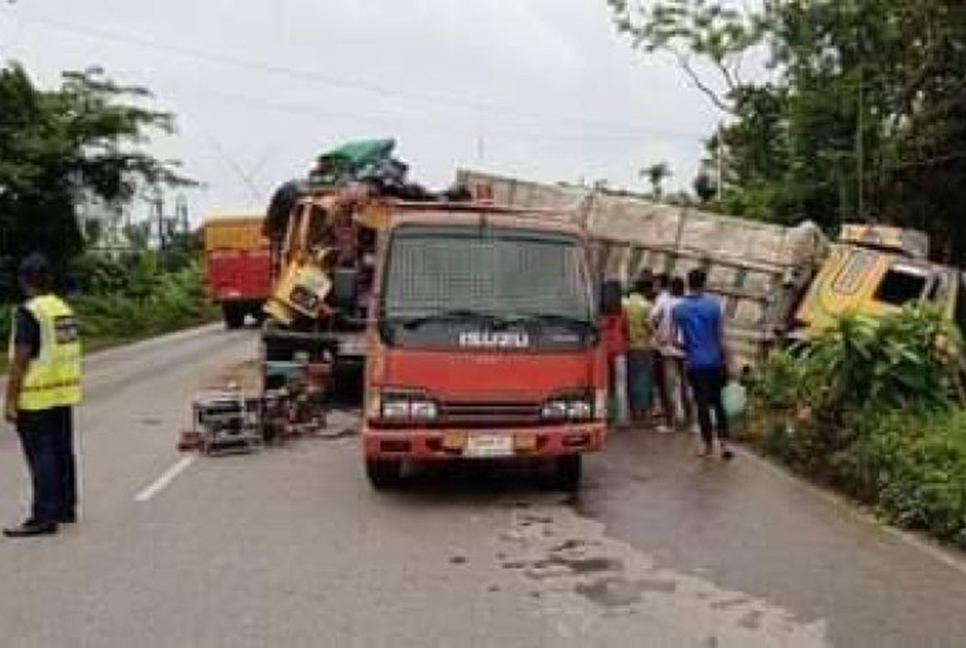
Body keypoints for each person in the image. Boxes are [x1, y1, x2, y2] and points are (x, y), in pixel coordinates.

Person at [4, 253, 83, 538]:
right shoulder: (62, 308)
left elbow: (21, 358)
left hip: (36, 395)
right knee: (62, 449)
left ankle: (44, 516)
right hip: (63, 391)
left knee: (41, 455)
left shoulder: (30, 311)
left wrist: (10, 400)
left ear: (24, 281)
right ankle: (65, 506)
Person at [672, 268, 732, 460]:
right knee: (719, 404)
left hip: (695, 364)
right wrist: (728, 361)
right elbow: (721, 337)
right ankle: (724, 445)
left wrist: (688, 347)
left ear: (688, 284)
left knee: (702, 405)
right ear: (704, 283)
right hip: (715, 363)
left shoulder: (678, 309)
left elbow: (674, 339)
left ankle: (707, 447)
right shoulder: (715, 306)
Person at [623, 274, 655, 426]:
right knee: (643, 379)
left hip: (629, 345)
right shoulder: (646, 306)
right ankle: (642, 413)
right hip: (644, 346)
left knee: (631, 378)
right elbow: (650, 326)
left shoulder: (626, 303)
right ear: (646, 289)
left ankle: (632, 411)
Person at [600, 280, 630, 427]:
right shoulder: (623, 310)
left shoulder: (598, 311)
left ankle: (605, 416)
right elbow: (626, 329)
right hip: (619, 350)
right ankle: (622, 418)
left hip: (603, 351)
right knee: (620, 385)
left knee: (604, 385)